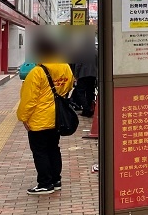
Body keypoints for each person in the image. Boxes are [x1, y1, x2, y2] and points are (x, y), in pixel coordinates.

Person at [17, 35, 73, 195]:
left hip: (39, 119)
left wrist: (23, 117)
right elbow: (69, 85)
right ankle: (56, 180)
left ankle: (44, 183)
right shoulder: (65, 67)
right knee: (54, 148)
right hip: (57, 117)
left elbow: (29, 99)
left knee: (40, 151)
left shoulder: (37, 72)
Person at [74, 40, 98, 118]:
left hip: (83, 75)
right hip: (93, 75)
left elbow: (78, 65)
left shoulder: (81, 52)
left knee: (80, 92)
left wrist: (76, 76)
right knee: (90, 92)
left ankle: (86, 109)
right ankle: (87, 110)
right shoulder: (96, 52)